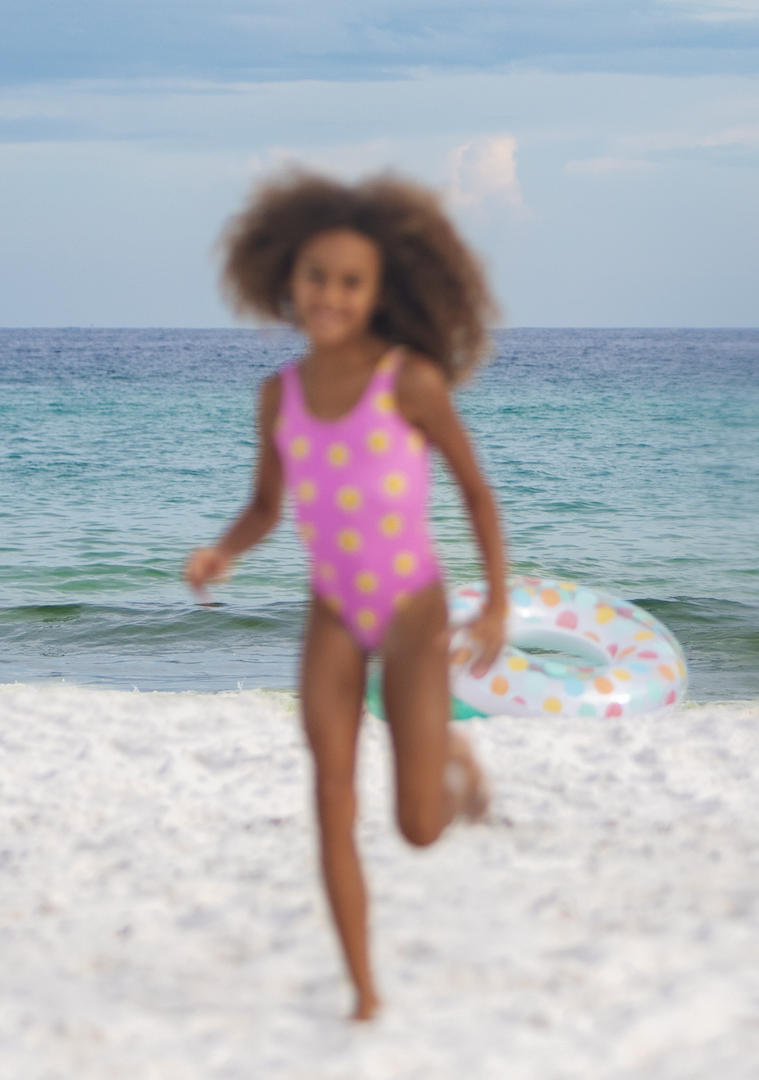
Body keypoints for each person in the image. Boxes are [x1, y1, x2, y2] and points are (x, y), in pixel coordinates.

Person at [183, 170, 508, 1021]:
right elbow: (266, 506)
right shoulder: (278, 395)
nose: (330, 294)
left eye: (350, 281)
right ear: (289, 279)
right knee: (329, 794)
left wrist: (498, 603)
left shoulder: (409, 383)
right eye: (316, 276)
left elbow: (476, 493)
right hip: (334, 609)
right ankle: (364, 991)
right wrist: (222, 552)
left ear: (377, 293)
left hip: (411, 611)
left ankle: (455, 760)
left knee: (417, 829)